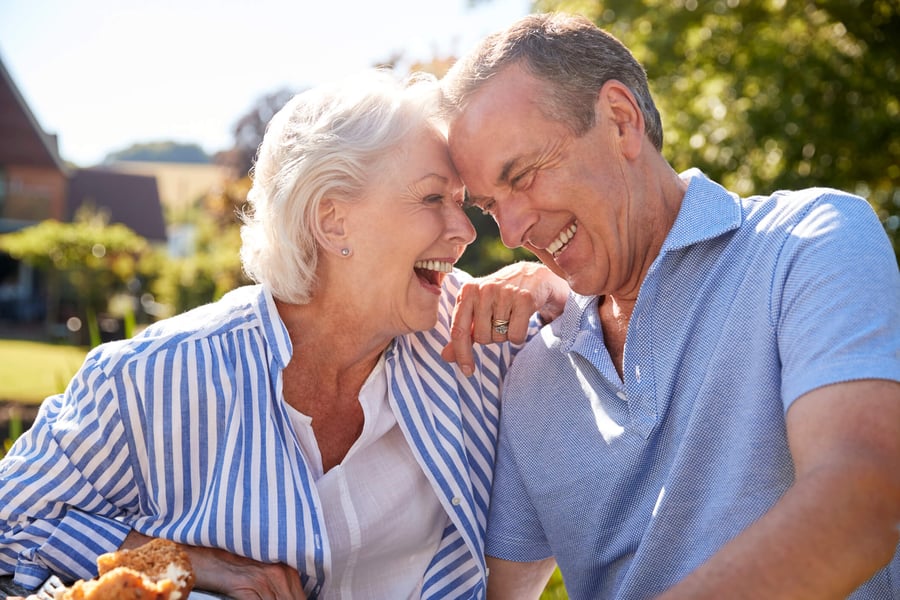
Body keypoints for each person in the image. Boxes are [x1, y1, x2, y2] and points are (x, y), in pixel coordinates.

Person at [0, 69, 567, 599]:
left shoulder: (476, 339)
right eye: (431, 198)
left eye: (462, 202)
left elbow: (620, 332)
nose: (466, 230)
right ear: (332, 220)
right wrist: (194, 563)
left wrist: (552, 288)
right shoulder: (156, 378)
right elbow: (13, 518)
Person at [440, 12, 900, 600]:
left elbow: (861, 503)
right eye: (488, 205)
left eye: (524, 176)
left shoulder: (804, 245)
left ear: (620, 121)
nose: (511, 229)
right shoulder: (533, 377)